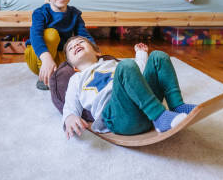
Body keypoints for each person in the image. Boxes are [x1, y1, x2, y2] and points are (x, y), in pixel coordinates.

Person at [62, 36, 197, 138]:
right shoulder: (76, 79)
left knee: (158, 56)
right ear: (74, 67)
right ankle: (160, 116)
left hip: (142, 109)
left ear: (97, 52)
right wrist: (69, 117)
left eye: (80, 42)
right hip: (117, 116)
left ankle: (177, 106)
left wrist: (141, 54)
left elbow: (138, 75)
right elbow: (70, 102)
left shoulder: (111, 64)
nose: (76, 45)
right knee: (126, 66)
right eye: (71, 48)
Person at [25, 0, 95, 90]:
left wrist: (94, 52)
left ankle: (59, 71)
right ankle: (45, 77)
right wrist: (46, 59)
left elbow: (83, 36)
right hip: (38, 56)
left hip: (58, 55)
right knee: (51, 34)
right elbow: (35, 37)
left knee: (80, 53)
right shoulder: (40, 13)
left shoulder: (75, 14)